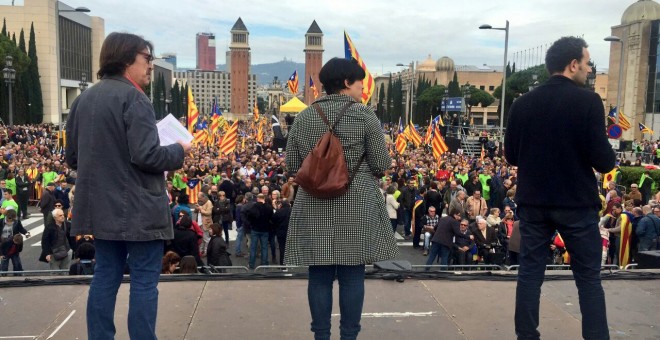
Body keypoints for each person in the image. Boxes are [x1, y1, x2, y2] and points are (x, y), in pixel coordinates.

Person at [65, 32, 190, 340]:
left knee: (105, 276)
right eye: (147, 58)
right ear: (125, 59)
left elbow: (72, 158)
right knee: (145, 282)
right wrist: (179, 151)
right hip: (140, 211)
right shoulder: (135, 99)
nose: (151, 66)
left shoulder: (83, 100)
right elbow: (147, 155)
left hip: (101, 210)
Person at [504, 36, 615, 340]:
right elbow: (604, 162)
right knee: (589, 280)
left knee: (529, 275)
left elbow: (511, 155)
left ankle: (527, 337)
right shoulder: (588, 101)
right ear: (573, 64)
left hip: (534, 203)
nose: (590, 69)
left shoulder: (522, 104)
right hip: (576, 205)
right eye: (588, 62)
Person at [284, 57, 398, 340]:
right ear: (347, 83)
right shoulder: (364, 115)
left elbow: (291, 165)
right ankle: (349, 336)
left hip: (312, 201)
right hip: (356, 201)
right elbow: (380, 164)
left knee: (319, 275)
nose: (363, 89)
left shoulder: (304, 116)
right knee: (352, 275)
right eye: (360, 83)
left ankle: (320, 336)